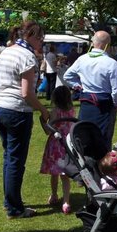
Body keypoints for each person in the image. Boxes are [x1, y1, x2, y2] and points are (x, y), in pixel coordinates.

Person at [0, 21, 50, 219]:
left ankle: (10, 201)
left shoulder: (7, 51)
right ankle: (15, 208)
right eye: (40, 37)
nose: (42, 41)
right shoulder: (26, 56)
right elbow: (26, 94)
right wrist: (43, 110)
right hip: (15, 111)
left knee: (9, 158)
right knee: (15, 161)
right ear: (30, 36)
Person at [63, 30, 117, 151]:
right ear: (107, 45)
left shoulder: (82, 59)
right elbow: (116, 90)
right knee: (103, 138)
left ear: (93, 43)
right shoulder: (111, 63)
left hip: (87, 102)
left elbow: (67, 76)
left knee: (84, 135)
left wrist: (79, 86)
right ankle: (103, 165)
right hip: (104, 105)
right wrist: (115, 104)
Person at [40, 86, 76, 214]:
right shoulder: (72, 110)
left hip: (56, 144)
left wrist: (43, 121)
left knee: (54, 173)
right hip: (68, 143)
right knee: (65, 175)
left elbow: (48, 130)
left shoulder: (55, 111)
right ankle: (66, 201)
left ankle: (54, 195)